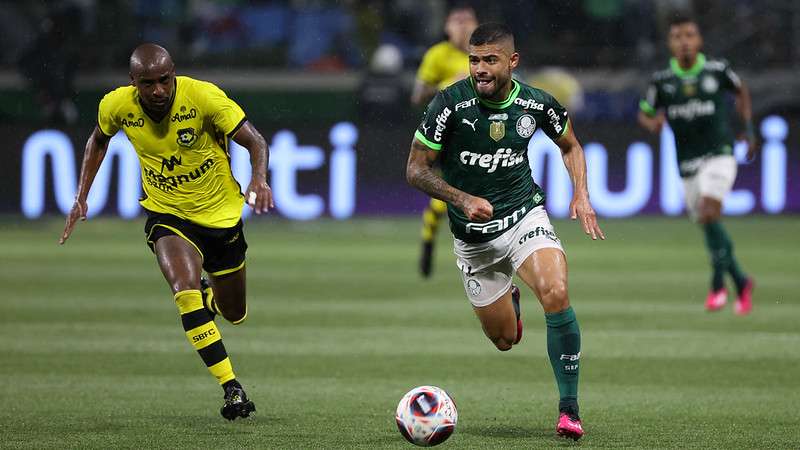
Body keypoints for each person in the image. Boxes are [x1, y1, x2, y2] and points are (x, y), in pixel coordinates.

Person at [406, 23, 605, 441]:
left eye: (490, 60)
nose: (479, 69)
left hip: (523, 218)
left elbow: (570, 144)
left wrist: (581, 194)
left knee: (555, 292)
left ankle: (569, 409)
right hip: (473, 240)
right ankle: (508, 302)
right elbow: (416, 169)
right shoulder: (448, 105)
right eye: (474, 60)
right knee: (503, 340)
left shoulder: (535, 103)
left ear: (512, 62)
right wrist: (461, 200)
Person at [59, 44, 274, 420]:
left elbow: (255, 141)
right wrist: (81, 197)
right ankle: (231, 387)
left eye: (164, 80)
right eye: (147, 84)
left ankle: (210, 302)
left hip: (221, 217)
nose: (158, 90)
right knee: (184, 292)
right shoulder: (116, 105)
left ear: (173, 74)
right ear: (133, 83)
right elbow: (98, 140)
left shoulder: (204, 97)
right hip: (167, 214)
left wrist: (259, 180)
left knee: (234, 313)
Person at [638, 15, 755, 314]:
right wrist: (654, 123)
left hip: (720, 152)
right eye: (678, 37)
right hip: (687, 161)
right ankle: (741, 282)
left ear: (699, 40)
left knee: (708, 210)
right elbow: (645, 112)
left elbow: (741, 91)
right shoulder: (662, 81)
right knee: (707, 222)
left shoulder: (717, 70)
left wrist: (749, 130)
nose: (685, 42)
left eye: (690, 35)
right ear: (670, 44)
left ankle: (717, 285)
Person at [411, 4, 478, 278]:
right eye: (456, 21)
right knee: (447, 192)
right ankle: (428, 239)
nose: (462, 26)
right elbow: (417, 97)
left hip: (481, 133)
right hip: (448, 134)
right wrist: (447, 85)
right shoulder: (438, 55)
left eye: (467, 21)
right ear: (447, 27)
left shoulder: (484, 54)